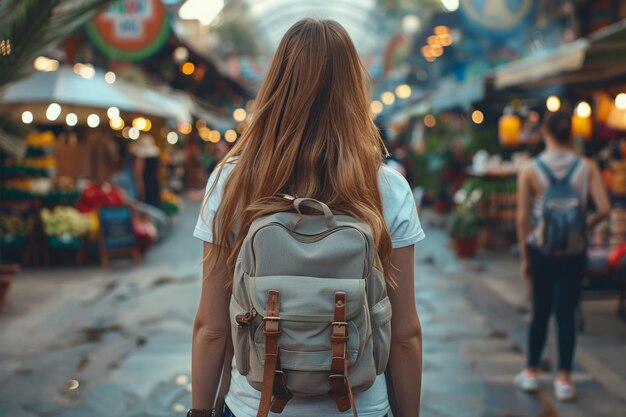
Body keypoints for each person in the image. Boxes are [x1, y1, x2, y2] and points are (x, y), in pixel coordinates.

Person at [191, 18, 424, 417]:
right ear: (354, 90)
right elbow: (404, 336)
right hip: (359, 407)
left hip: (255, 407)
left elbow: (211, 327)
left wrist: (199, 412)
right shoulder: (388, 188)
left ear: (275, 87)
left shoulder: (231, 181)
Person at [515, 111, 610, 401]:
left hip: (541, 250)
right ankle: (565, 379)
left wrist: (524, 257)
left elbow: (522, 219)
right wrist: (584, 225)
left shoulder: (531, 168)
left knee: (540, 312)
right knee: (566, 313)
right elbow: (604, 209)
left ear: (545, 131)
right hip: (574, 250)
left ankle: (531, 372)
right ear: (571, 133)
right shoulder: (587, 166)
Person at [131, 134, 161, 208]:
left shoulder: (140, 157)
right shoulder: (154, 158)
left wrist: (140, 190)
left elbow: (138, 172)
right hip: (151, 183)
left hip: (147, 184)